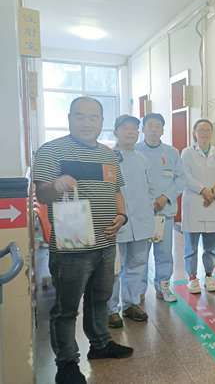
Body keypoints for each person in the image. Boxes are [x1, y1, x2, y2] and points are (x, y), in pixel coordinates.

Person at [33, 97, 133, 384]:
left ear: (102, 121)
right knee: (66, 308)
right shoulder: (51, 150)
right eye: (80, 116)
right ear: (69, 118)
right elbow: (42, 195)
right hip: (71, 248)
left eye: (93, 117)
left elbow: (116, 191)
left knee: (100, 299)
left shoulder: (109, 155)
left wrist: (122, 215)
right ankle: (66, 363)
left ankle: (100, 344)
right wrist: (56, 185)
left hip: (106, 242)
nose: (87, 123)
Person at [107, 115, 155, 328]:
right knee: (114, 268)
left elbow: (149, 188)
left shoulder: (142, 159)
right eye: (125, 128)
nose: (130, 132)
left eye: (134, 129)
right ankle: (111, 310)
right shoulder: (107, 157)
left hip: (141, 221)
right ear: (116, 131)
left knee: (137, 264)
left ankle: (131, 304)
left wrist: (150, 208)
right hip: (117, 221)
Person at [136, 112, 185, 302]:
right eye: (150, 126)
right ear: (143, 129)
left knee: (164, 253)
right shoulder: (135, 151)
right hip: (141, 212)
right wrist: (148, 202)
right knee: (140, 254)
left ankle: (163, 285)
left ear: (163, 130)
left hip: (164, 212)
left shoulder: (172, 152)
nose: (154, 130)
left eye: (158, 126)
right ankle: (137, 291)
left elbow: (180, 179)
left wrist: (166, 197)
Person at [181, 119, 215, 293]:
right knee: (191, 247)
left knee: (211, 246)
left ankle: (209, 276)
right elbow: (185, 176)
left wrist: (212, 191)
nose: (204, 133)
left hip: (213, 203)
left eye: (207, 129)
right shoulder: (187, 152)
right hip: (195, 203)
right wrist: (203, 191)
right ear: (194, 133)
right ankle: (192, 278)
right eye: (200, 130)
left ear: (212, 132)